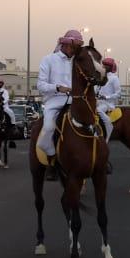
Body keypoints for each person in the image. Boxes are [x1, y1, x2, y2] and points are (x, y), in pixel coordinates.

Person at [36, 29, 84, 164]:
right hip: (54, 101)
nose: (76, 50)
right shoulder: (48, 60)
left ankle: (99, 158)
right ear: (66, 45)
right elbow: (40, 85)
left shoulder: (78, 61)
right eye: (75, 47)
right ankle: (52, 157)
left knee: (97, 123)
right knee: (48, 129)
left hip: (76, 101)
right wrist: (57, 87)